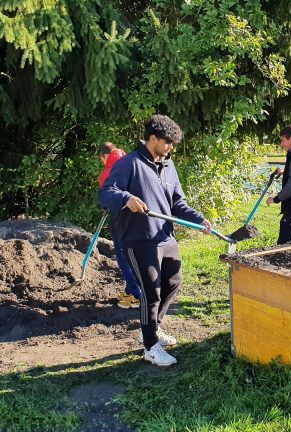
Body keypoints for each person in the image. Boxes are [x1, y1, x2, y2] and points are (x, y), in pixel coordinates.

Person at [99, 115, 213, 367]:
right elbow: (106, 192)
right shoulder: (130, 163)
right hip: (139, 240)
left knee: (173, 281)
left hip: (164, 235)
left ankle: (151, 327)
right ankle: (150, 347)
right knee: (151, 293)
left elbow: (177, 202)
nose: (171, 147)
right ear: (152, 139)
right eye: (168, 142)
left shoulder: (168, 165)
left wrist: (200, 218)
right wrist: (127, 199)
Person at [98, 142, 142, 309]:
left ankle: (137, 295)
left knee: (123, 257)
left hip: (120, 220)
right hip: (138, 219)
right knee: (135, 256)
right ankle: (130, 290)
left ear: (106, 156)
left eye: (102, 160)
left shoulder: (107, 174)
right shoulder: (131, 163)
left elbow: (107, 197)